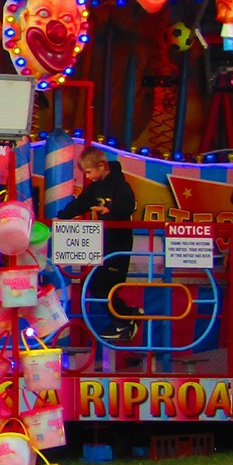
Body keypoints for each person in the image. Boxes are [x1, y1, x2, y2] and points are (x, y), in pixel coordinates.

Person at [55, 147, 137, 344]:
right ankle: (125, 317)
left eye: (90, 172)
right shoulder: (96, 187)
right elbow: (82, 202)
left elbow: (127, 206)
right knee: (97, 285)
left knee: (105, 286)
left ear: (101, 166)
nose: (88, 176)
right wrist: (62, 216)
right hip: (106, 241)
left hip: (120, 241)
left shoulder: (119, 184)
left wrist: (109, 210)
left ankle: (125, 319)